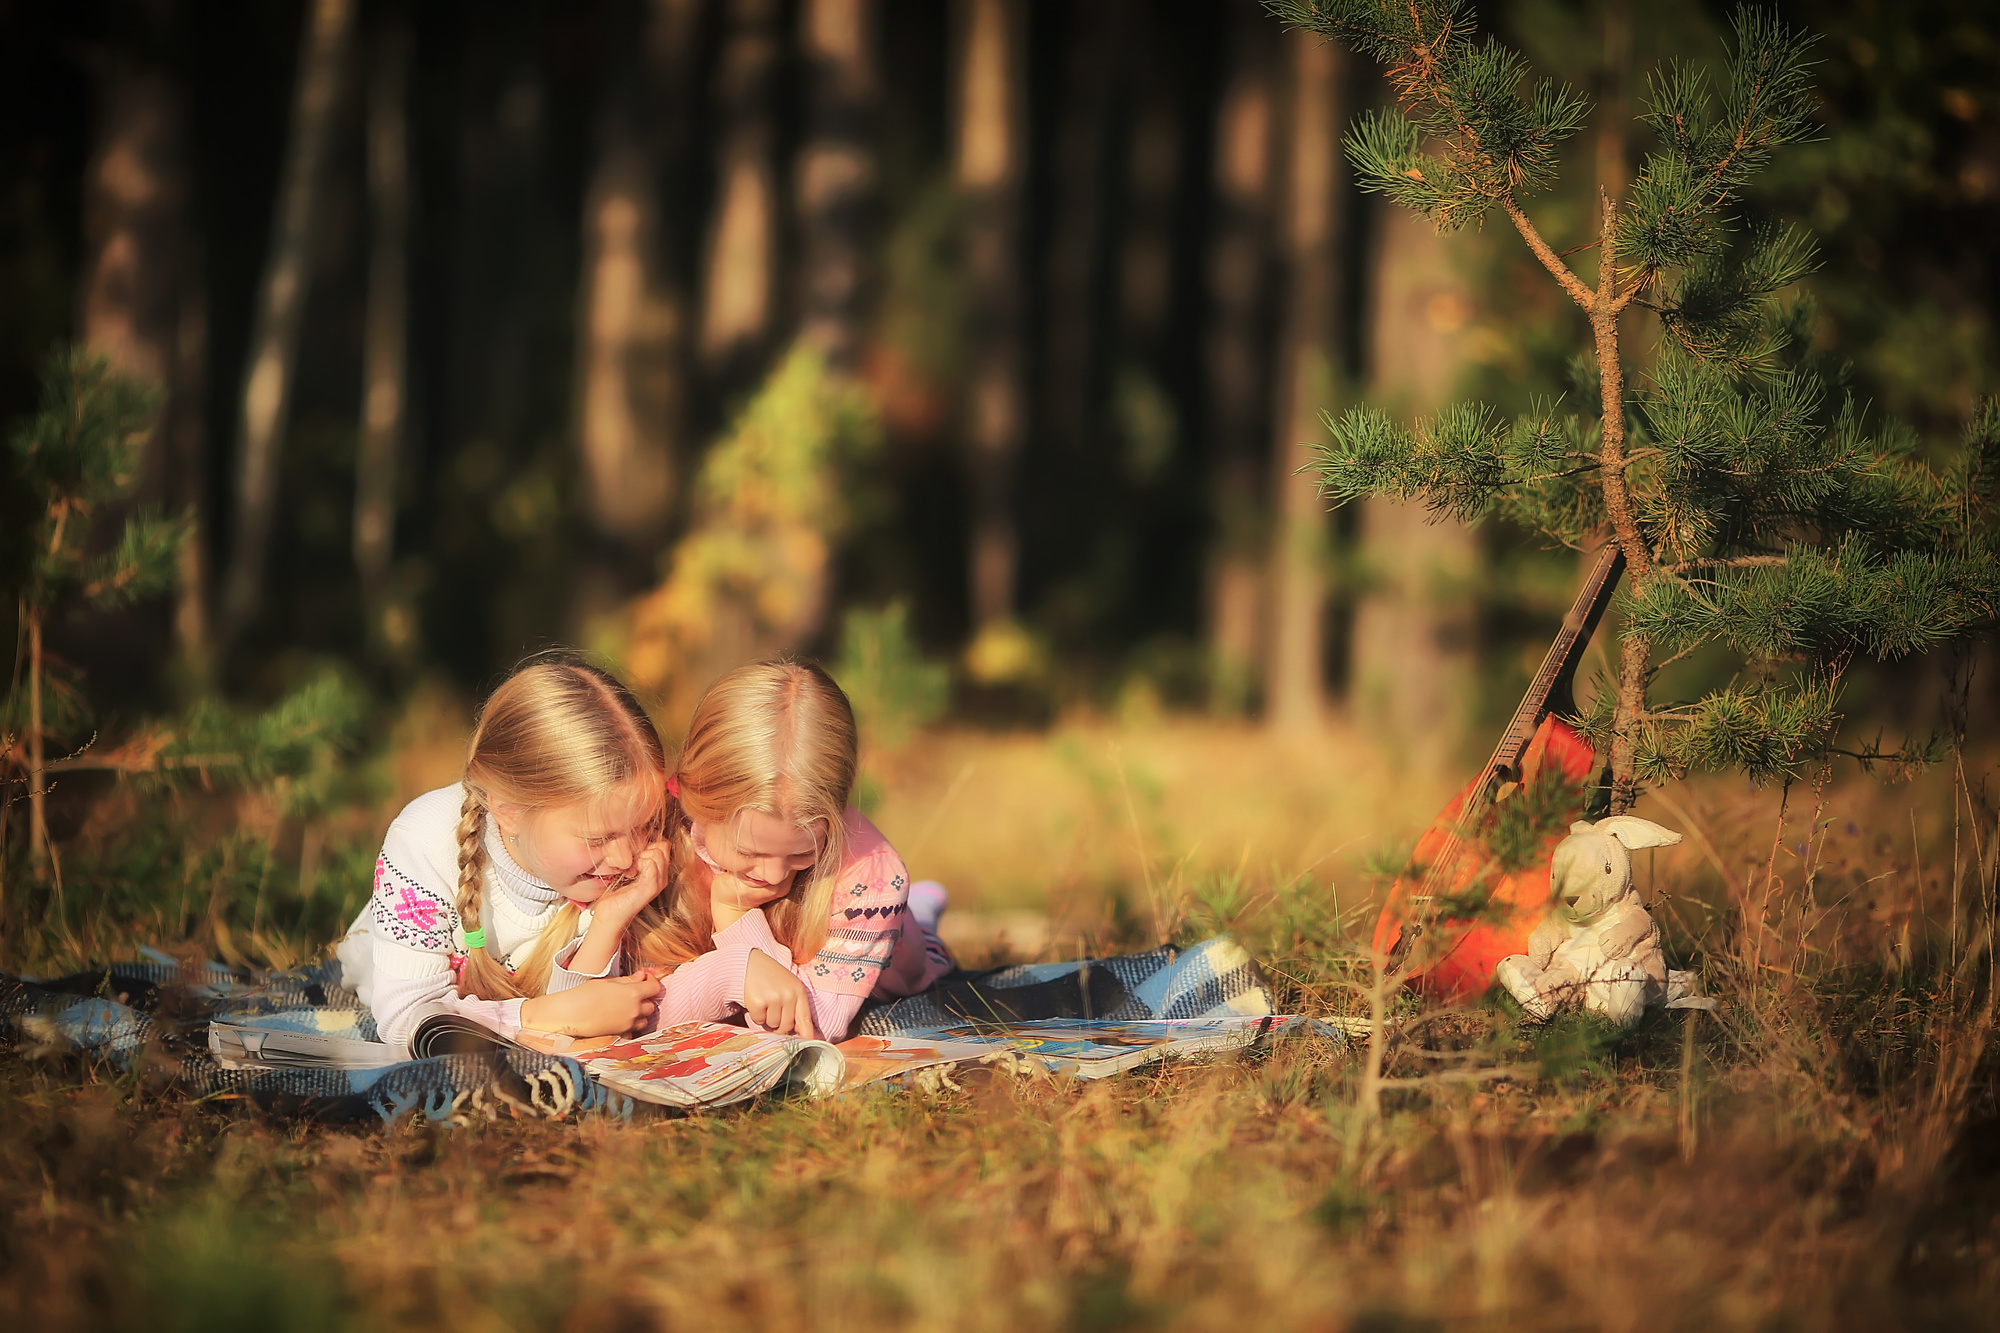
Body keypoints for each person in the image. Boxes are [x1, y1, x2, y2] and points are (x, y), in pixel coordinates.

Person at [337, 657, 673, 1050]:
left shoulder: (606, 868)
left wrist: (609, 923)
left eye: (643, 826)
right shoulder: (424, 840)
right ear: (508, 812)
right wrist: (543, 1016)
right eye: (598, 839)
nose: (626, 858)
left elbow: (590, 1018)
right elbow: (406, 1018)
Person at [635, 660, 953, 1042]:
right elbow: (631, 1007)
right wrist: (736, 969)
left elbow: (810, 1026)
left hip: (888, 953)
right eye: (748, 852)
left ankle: (920, 910)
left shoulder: (874, 880)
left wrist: (735, 916)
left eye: (802, 853)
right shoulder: (655, 834)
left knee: (919, 948)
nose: (772, 876)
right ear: (694, 799)